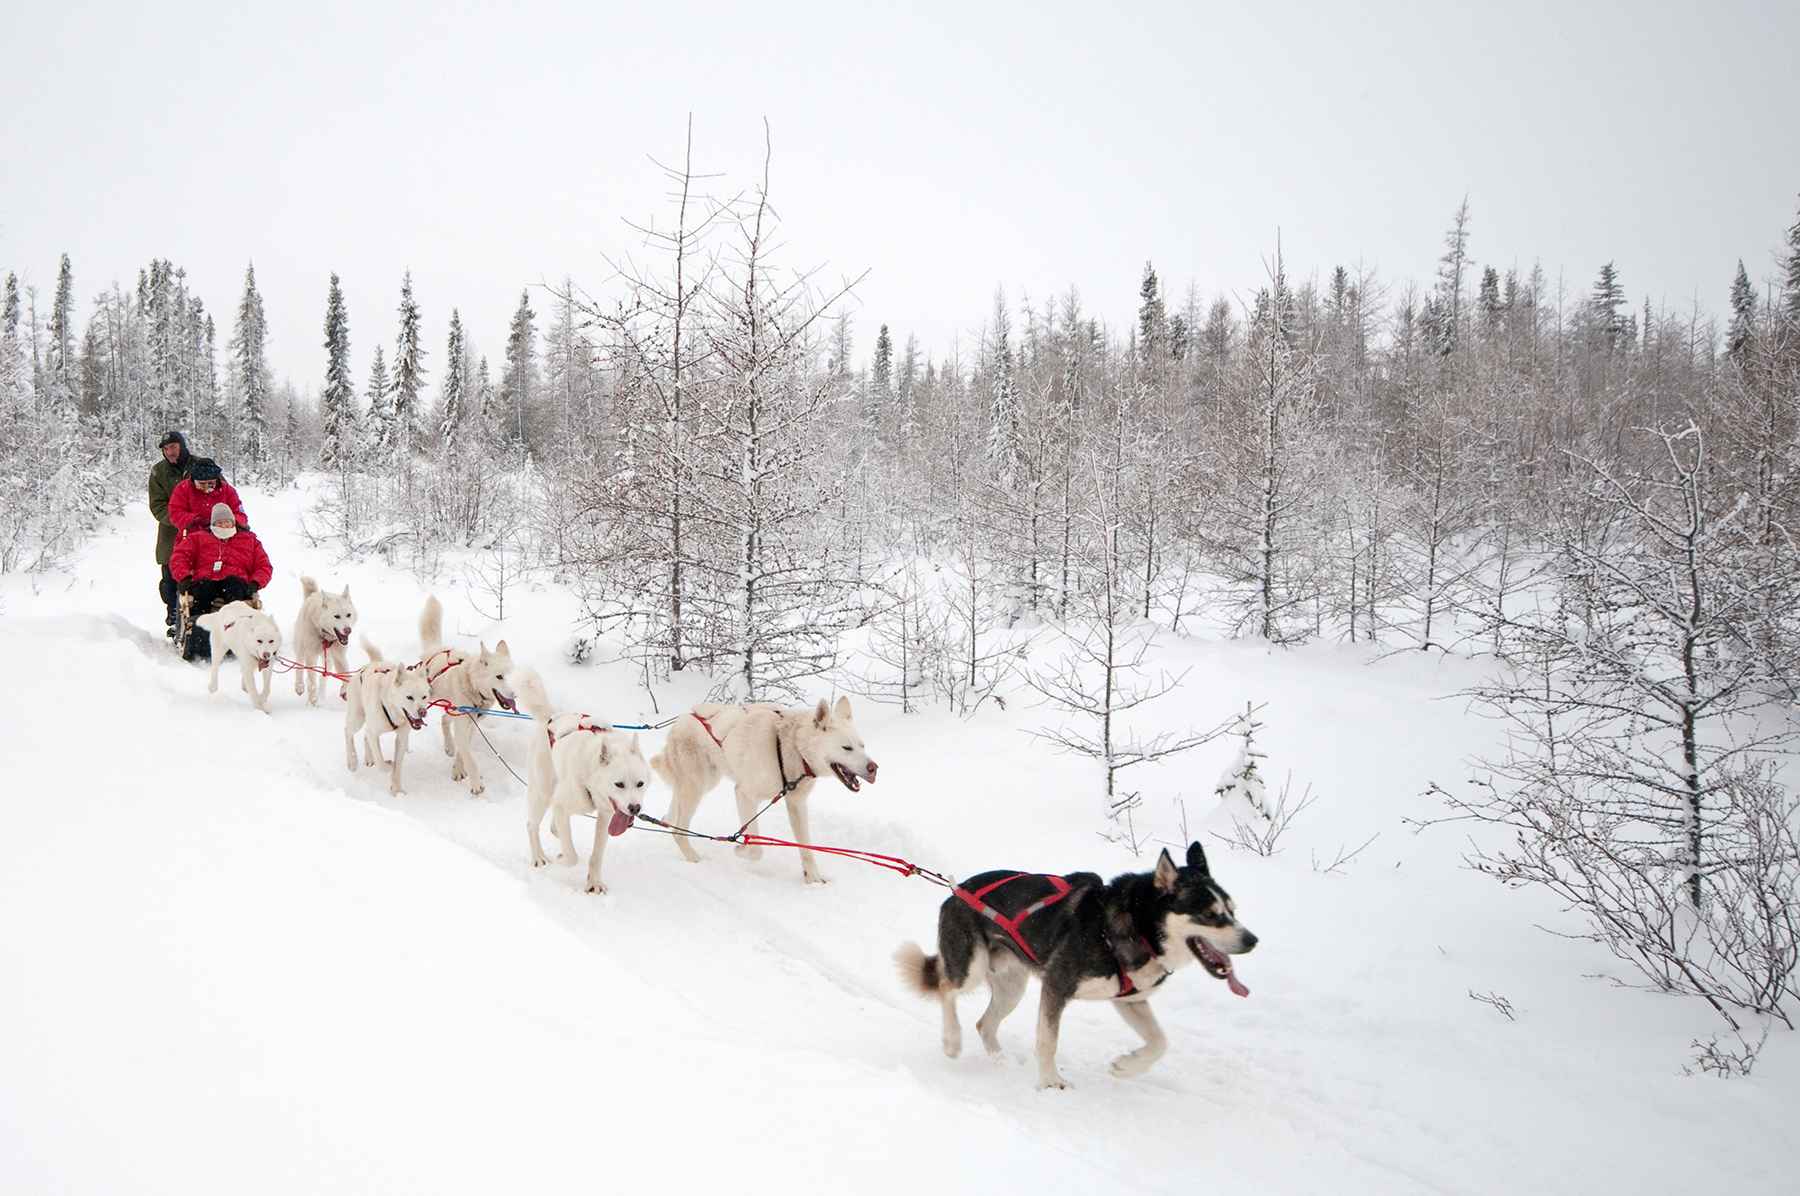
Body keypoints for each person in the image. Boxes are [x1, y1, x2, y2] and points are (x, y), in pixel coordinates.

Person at [170, 502, 274, 661]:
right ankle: (200, 628)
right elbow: (179, 558)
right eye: (220, 522)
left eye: (227, 522)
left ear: (234, 522)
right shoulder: (197, 538)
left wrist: (256, 582)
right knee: (202, 589)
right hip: (206, 580)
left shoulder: (249, 540)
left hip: (236, 582)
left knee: (236, 588)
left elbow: (264, 565)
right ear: (213, 524)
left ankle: (239, 627)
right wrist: (183, 577)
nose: (224, 525)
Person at [148, 431, 193, 638]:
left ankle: (197, 616)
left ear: (182, 446)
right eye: (166, 449)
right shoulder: (158, 472)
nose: (170, 452)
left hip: (200, 532)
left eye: (173, 447)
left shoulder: (199, 465)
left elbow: (220, 489)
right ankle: (174, 616)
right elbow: (157, 506)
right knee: (170, 580)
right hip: (170, 535)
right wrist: (180, 519)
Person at [167, 457, 249, 538]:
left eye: (211, 483)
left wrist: (226, 521)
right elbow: (175, 513)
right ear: (194, 480)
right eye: (202, 484)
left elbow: (240, 514)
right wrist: (195, 520)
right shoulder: (183, 489)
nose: (206, 487)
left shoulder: (227, 490)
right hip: (193, 538)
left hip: (223, 537)